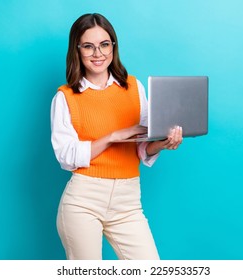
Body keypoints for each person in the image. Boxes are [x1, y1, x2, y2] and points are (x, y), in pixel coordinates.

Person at [50, 13, 183, 260]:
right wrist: (112, 136)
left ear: (113, 46)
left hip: (128, 200)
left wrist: (162, 144)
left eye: (104, 44)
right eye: (88, 46)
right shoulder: (65, 97)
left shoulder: (134, 87)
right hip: (83, 201)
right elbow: (67, 157)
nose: (98, 53)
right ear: (77, 50)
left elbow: (142, 148)